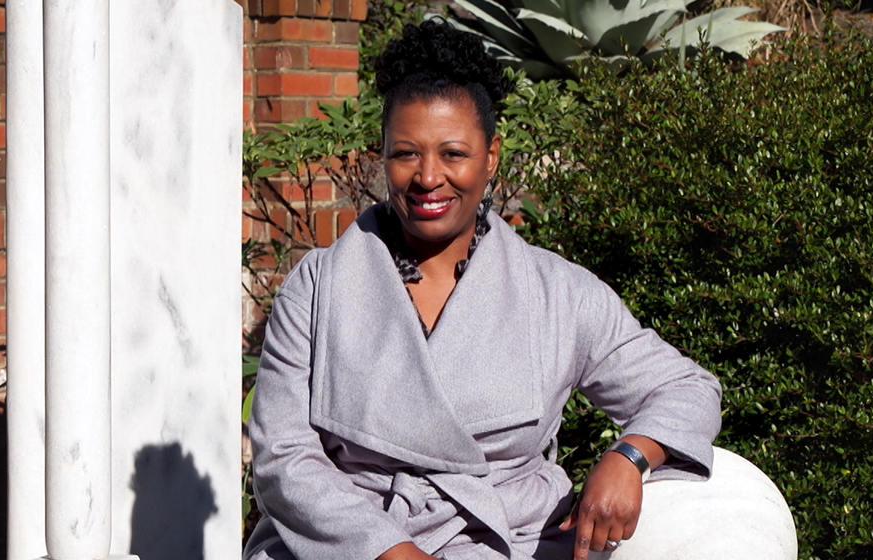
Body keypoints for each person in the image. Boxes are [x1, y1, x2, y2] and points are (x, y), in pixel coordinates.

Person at [244, 20, 722, 560]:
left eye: (453, 153)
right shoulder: (316, 287)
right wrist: (388, 550)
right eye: (406, 154)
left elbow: (686, 388)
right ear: (382, 155)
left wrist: (630, 457)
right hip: (347, 545)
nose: (428, 177)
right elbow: (284, 455)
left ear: (490, 155)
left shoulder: (556, 293)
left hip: (498, 542)